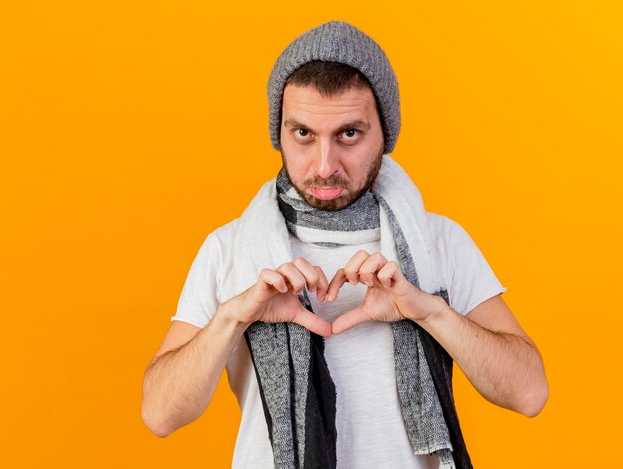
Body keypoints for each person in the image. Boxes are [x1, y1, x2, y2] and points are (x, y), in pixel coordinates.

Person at [141, 20, 548, 469]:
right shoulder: (230, 249)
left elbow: (529, 394)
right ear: (279, 132)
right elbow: (160, 413)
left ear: (384, 134)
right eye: (303, 134)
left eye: (348, 135)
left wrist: (428, 309)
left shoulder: (438, 242)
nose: (324, 165)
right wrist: (235, 316)